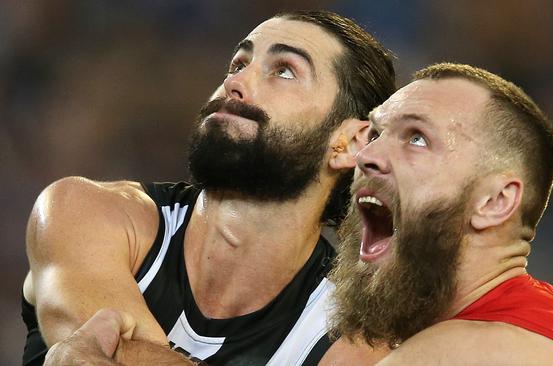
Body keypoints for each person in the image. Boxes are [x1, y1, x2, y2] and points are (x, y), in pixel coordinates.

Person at [22, 10, 396, 365]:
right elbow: (106, 352)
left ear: (350, 142)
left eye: (284, 71)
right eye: (239, 64)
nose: (235, 83)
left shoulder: (352, 332)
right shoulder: (86, 210)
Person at [326, 62, 553, 365]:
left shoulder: (454, 354)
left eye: (417, 138)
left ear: (496, 201)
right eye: (376, 135)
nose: (366, 156)